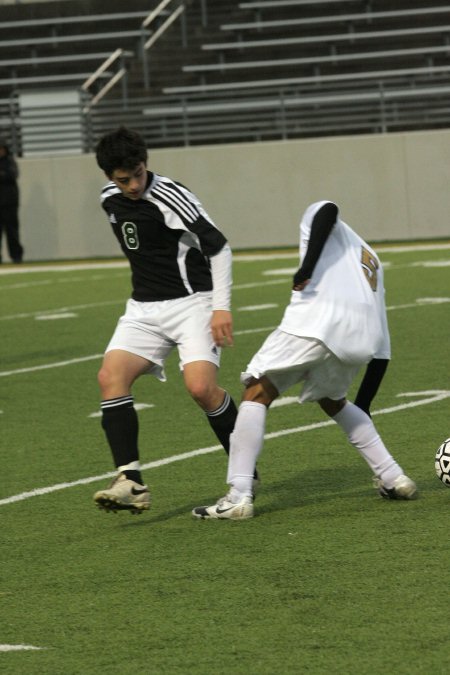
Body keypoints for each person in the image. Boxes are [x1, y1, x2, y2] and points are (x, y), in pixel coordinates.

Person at [192, 200, 417, 520]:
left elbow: (328, 209)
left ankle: (239, 495)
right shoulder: (370, 258)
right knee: (333, 400)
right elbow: (382, 349)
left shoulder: (321, 219)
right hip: (360, 339)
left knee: (256, 391)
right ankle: (394, 477)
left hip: (316, 324)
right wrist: (364, 404)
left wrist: (307, 268)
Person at [92, 126, 249, 514]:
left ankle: (244, 474)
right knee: (110, 376)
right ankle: (131, 481)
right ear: (110, 178)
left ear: (146, 164)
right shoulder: (109, 199)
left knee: (200, 388)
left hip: (192, 304)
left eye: (138, 175)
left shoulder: (171, 196)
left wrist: (221, 307)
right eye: (123, 179)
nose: (132, 185)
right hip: (144, 309)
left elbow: (219, 247)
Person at [0, 138, 23, 264]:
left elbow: (12, 175)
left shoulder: (9, 161)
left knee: (12, 231)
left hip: (9, 203)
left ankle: (16, 256)